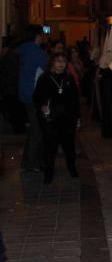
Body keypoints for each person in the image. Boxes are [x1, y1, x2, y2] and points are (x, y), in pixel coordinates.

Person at [33, 53, 80, 182]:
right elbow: (36, 98)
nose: (61, 64)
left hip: (67, 119)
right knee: (50, 148)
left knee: (69, 147)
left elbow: (75, 100)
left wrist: (77, 118)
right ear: (52, 62)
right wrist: (42, 106)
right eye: (58, 61)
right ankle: (48, 174)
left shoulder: (69, 79)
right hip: (51, 119)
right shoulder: (45, 78)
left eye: (64, 61)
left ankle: (72, 169)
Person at [18, 25, 49, 173]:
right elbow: (48, 66)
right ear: (37, 36)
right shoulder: (36, 52)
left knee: (33, 129)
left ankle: (27, 161)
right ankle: (32, 162)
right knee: (37, 129)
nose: (43, 37)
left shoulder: (23, 50)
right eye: (42, 34)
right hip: (33, 94)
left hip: (25, 93)